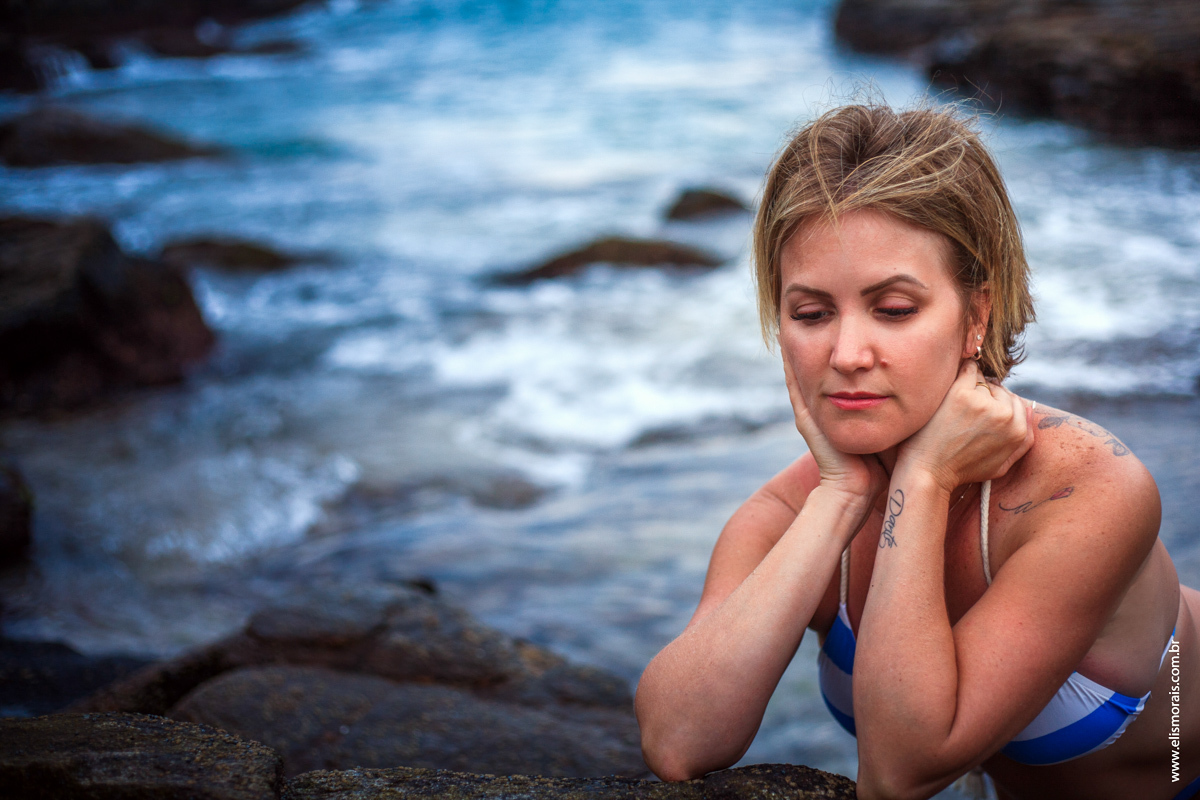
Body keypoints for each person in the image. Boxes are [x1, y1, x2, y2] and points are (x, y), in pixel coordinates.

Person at [634, 104, 1200, 800]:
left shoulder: (1084, 492)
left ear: (976, 315)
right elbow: (678, 741)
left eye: (894, 309)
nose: (845, 355)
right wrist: (840, 495)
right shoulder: (792, 507)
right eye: (810, 314)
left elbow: (901, 773)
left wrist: (925, 479)